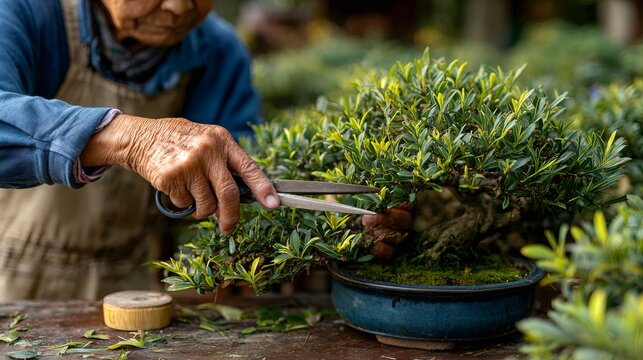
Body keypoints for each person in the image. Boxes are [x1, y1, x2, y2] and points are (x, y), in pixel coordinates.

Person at [0, 0, 280, 300]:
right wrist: (129, 139)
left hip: (134, 280)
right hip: (10, 277)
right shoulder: (24, 13)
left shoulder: (218, 51)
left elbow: (241, 178)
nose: (178, 7)